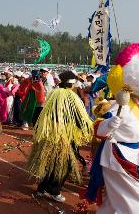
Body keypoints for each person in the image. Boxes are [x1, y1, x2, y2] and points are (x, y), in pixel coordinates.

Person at [85, 43, 139, 214]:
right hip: (117, 157)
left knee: (115, 201)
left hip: (126, 156)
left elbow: (137, 138)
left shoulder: (135, 106)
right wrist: (110, 123)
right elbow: (99, 130)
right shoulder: (119, 106)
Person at [27, 70, 93, 203]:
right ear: (72, 84)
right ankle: (54, 191)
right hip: (64, 137)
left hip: (50, 134)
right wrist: (88, 127)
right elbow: (78, 117)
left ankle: (42, 188)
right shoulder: (70, 97)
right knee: (65, 165)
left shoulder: (54, 93)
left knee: (50, 162)